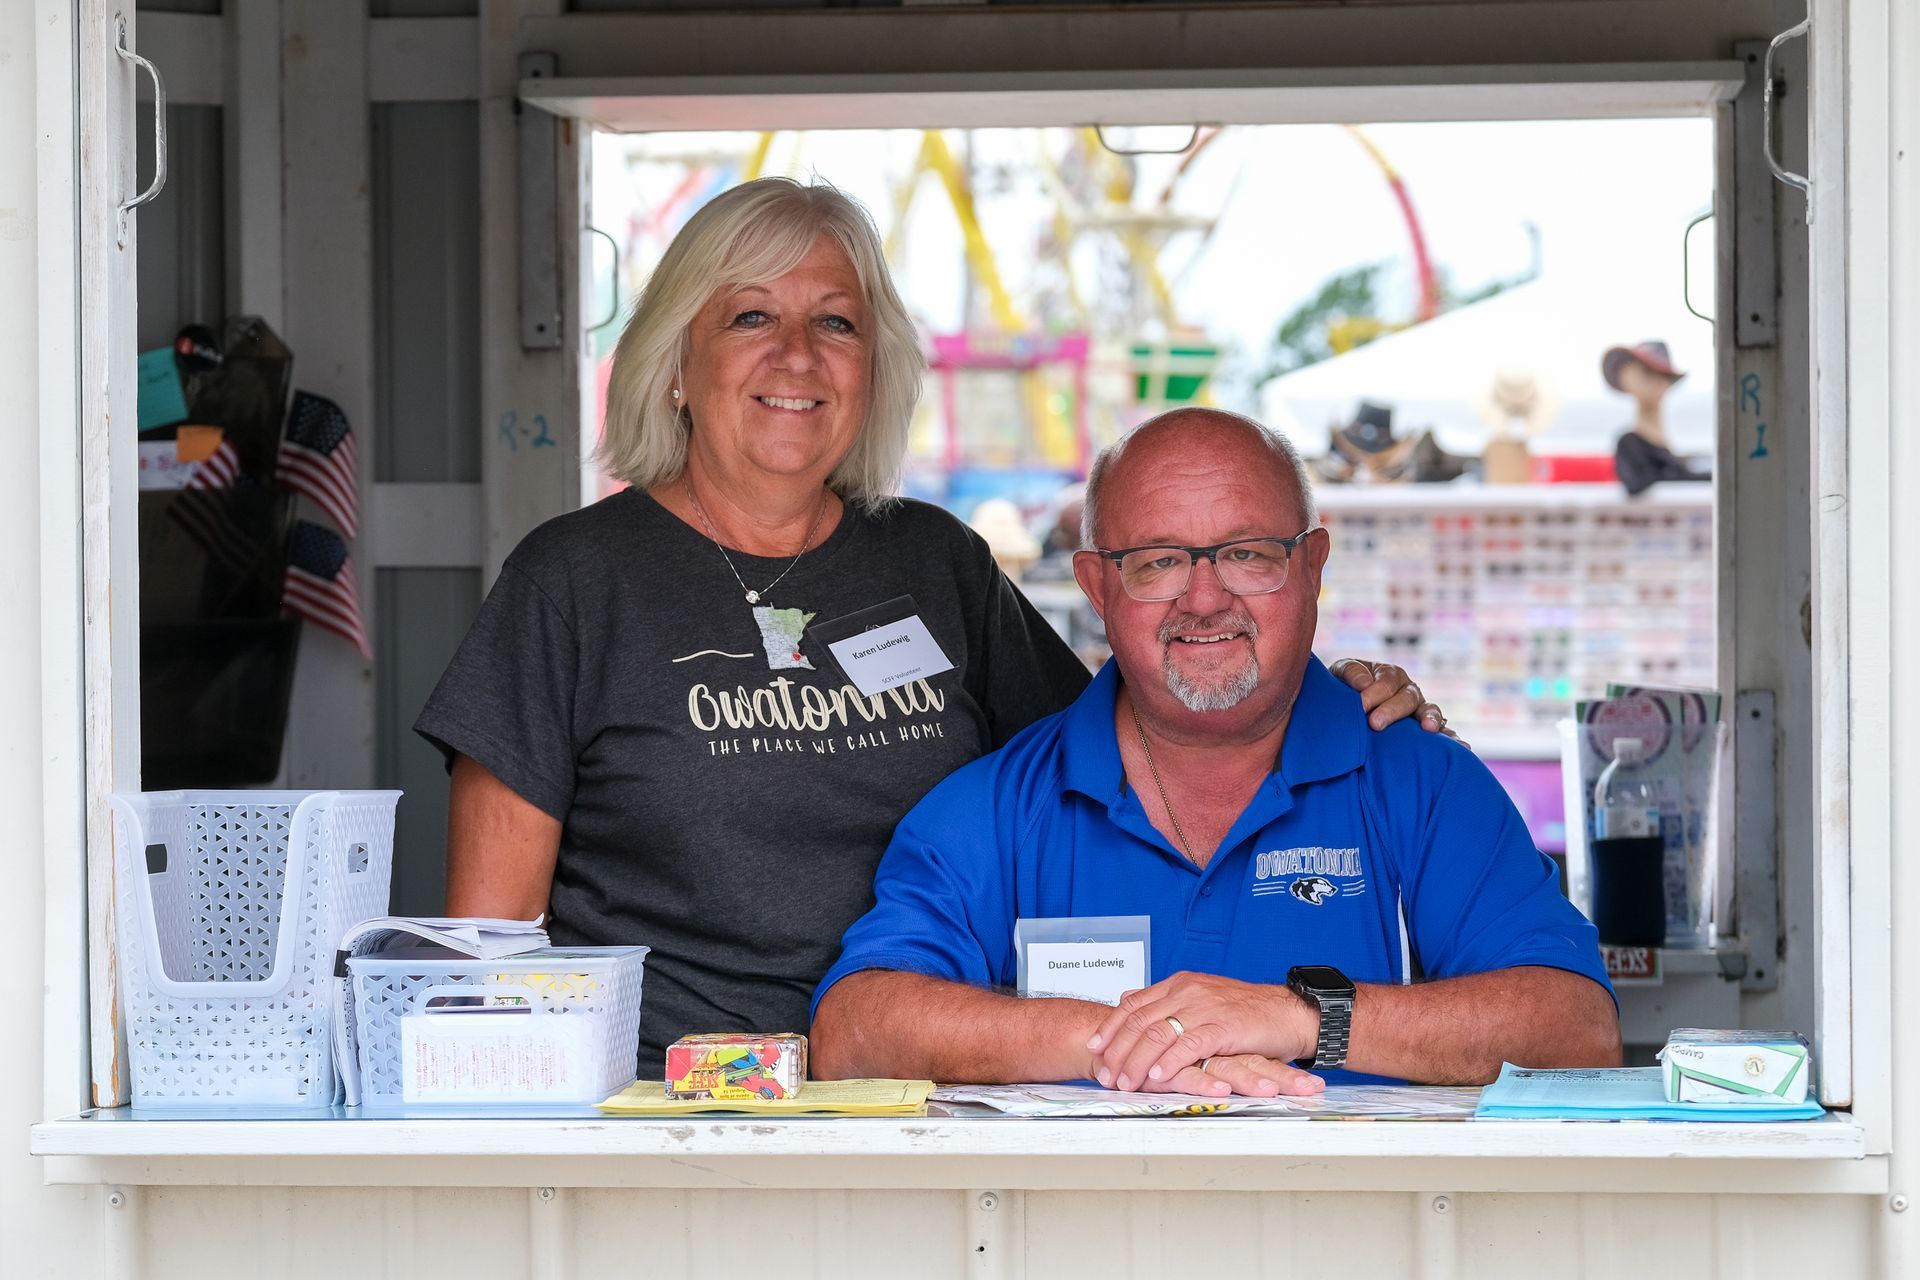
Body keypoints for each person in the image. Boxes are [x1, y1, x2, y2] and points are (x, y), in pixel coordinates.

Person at [415, 178, 1449, 1075]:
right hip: (668, 1110)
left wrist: (1327, 696)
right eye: (749, 318)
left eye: (836, 321)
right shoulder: (575, 580)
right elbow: (490, 947)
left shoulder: (930, 562)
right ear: (676, 360)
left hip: (930, 1093)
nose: (798, 355)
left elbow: (1137, 740)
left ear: (873, 367)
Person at [810, 408, 1619, 1096]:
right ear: (1096, 586)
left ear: (1311, 566)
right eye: (1157, 561)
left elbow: (1576, 1030)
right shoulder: (996, 805)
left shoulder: (1422, 781)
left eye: (1246, 554)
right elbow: (855, 1033)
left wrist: (1302, 1018)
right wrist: (1132, 1043)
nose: (1204, 598)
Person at [1603, 340, 1708, 496]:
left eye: (1663, 376)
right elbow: (1638, 484)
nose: (1658, 383)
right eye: (1647, 373)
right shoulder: (1629, 444)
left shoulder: (1659, 445)